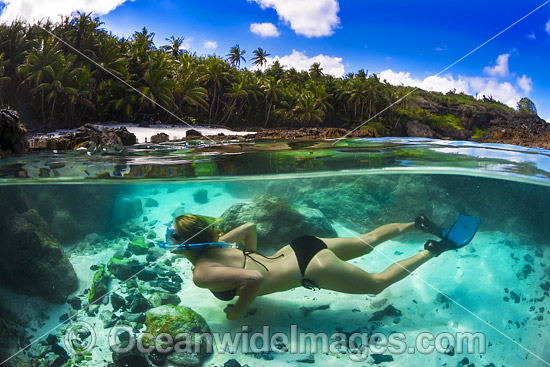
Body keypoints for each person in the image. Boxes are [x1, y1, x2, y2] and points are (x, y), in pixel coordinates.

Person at [170, 214, 458, 320]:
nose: (170, 240)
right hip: (300, 246)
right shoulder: (219, 243)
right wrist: (253, 252)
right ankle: (416, 224)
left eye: (174, 237)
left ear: (185, 244)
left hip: (310, 268)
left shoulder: (201, 274)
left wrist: (237, 312)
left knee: (377, 283)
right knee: (367, 241)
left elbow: (253, 278)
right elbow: (249, 226)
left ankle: (432, 251)